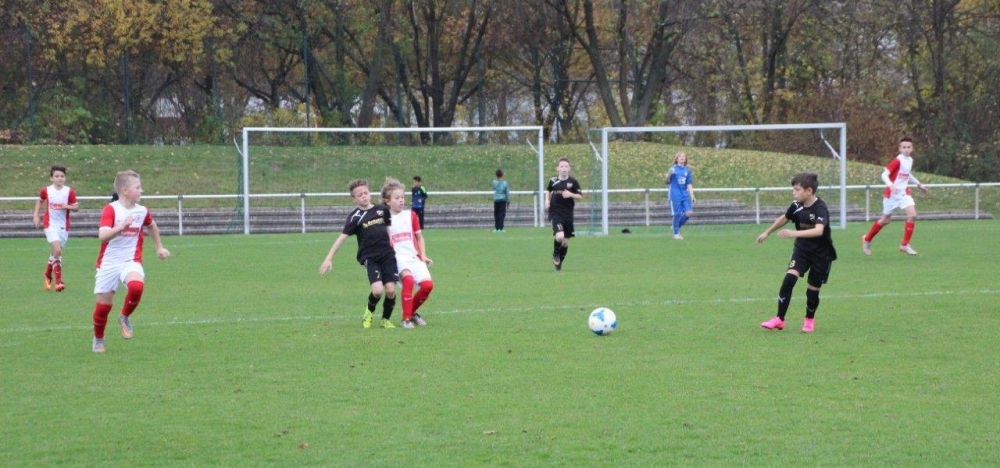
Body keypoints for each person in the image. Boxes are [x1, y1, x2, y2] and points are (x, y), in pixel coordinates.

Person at [91, 170, 171, 353]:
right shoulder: (111, 209)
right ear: (125, 190)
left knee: (136, 286)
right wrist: (121, 226)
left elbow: (152, 226)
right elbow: (102, 236)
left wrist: (159, 247)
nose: (141, 190)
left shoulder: (142, 211)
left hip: (130, 260)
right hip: (108, 263)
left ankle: (124, 316)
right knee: (103, 307)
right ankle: (99, 339)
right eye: (138, 187)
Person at [756, 172, 837, 333]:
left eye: (797, 189)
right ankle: (779, 319)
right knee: (789, 280)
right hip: (802, 250)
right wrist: (767, 232)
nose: (793, 192)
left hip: (822, 254)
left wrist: (793, 233)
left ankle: (809, 320)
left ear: (809, 191)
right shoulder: (796, 205)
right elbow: (785, 218)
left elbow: (819, 230)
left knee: (813, 290)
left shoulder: (820, 207)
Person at [319, 179, 398, 329]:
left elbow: (388, 228)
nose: (364, 196)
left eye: (365, 193)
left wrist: (393, 243)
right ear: (354, 199)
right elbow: (341, 238)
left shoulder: (382, 210)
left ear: (369, 193)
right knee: (377, 291)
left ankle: (385, 320)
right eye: (359, 195)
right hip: (370, 257)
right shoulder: (354, 217)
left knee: (391, 290)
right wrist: (329, 258)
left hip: (388, 255)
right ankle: (368, 314)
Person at [861, 136, 930, 256]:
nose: (906, 149)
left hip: (904, 193)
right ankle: (867, 239)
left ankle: (904, 245)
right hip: (892, 194)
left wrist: (919, 184)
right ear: (900, 149)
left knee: (912, 215)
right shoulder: (898, 160)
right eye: (904, 147)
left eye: (908, 147)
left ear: (912, 148)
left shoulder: (910, 160)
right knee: (885, 220)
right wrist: (891, 185)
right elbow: (884, 175)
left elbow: (907, 174)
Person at [381, 178, 435, 328]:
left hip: (413, 256)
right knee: (409, 281)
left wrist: (423, 255)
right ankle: (405, 319)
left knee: (427, 286)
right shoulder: (384, 219)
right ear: (387, 201)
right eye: (397, 198)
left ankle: (411, 313)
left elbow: (419, 237)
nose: (401, 200)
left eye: (402, 197)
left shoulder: (411, 215)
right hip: (397, 258)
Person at [33, 165, 79, 292]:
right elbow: (40, 201)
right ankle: (59, 282)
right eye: (57, 176)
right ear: (51, 178)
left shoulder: (69, 191)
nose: (60, 178)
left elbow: (76, 207)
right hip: (50, 224)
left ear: (65, 178)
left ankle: (48, 274)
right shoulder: (46, 190)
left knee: (55, 252)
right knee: (57, 250)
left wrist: (67, 206)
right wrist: (36, 215)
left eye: (62, 176)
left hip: (63, 226)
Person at [546, 158, 583, 271]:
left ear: (569, 168)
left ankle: (559, 263)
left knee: (565, 243)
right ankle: (555, 253)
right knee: (560, 236)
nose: (564, 168)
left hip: (568, 215)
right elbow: (549, 190)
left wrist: (571, 194)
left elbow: (580, 196)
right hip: (555, 213)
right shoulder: (553, 181)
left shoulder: (573, 182)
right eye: (561, 166)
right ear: (557, 168)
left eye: (566, 166)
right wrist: (547, 201)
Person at [665, 151, 695, 240]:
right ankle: (676, 234)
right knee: (677, 214)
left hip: (684, 195)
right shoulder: (673, 169)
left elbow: (689, 184)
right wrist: (668, 175)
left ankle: (676, 226)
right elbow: (667, 182)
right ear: (677, 159)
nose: (682, 157)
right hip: (675, 194)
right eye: (680, 156)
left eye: (684, 156)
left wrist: (692, 195)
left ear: (685, 159)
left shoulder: (687, 170)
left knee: (689, 213)